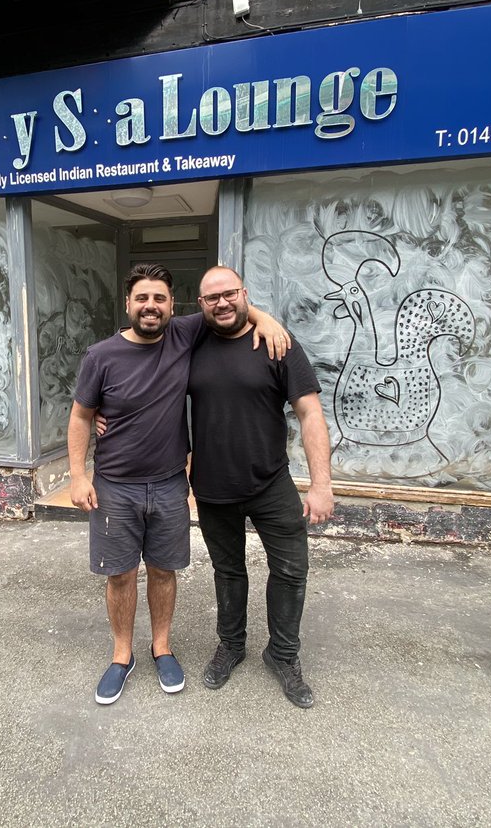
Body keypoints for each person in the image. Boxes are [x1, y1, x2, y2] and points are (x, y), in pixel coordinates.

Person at [68, 262, 289, 706]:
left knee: (165, 571)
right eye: (143, 298)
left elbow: (229, 306)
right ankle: (121, 655)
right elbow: (79, 415)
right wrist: (78, 474)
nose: (151, 307)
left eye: (160, 299)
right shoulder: (101, 356)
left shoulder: (185, 334)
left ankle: (162, 647)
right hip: (115, 486)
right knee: (120, 574)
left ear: (173, 305)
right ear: (128, 304)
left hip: (170, 483)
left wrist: (265, 318)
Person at [188, 266, 334, 709]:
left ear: (244, 294)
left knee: (291, 570)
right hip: (213, 486)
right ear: (200, 305)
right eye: (212, 298)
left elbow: (310, 414)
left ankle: (283, 654)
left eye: (230, 294)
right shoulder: (188, 340)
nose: (222, 303)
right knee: (228, 571)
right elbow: (133, 339)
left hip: (272, 483)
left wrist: (321, 485)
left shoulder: (278, 343)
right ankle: (231, 645)